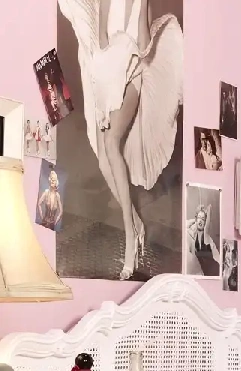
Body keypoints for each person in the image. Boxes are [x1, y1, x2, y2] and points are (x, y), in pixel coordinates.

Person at [59, 0, 184, 280]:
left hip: (133, 75)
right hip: (107, 73)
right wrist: (106, 94)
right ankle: (137, 223)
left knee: (111, 142)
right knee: (104, 160)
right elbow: (102, 41)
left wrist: (142, 17)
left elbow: (144, 46)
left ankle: (129, 234)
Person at [185, 201, 219, 276]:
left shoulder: (207, 238)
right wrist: (196, 220)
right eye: (199, 218)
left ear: (205, 222)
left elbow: (206, 227)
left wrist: (209, 212)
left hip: (214, 271)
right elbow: (185, 224)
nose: (200, 220)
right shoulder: (191, 235)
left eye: (203, 219)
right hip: (206, 273)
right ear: (196, 219)